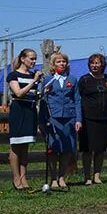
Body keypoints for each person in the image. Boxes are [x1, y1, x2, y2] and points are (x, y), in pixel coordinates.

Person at [39, 52, 82, 190]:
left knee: (67, 148)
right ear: (53, 64)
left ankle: (62, 176)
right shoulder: (48, 80)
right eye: (58, 62)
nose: (61, 64)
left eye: (64, 61)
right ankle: (53, 178)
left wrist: (78, 119)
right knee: (53, 149)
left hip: (69, 118)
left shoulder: (73, 80)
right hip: (53, 119)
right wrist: (42, 121)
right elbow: (42, 101)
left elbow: (77, 101)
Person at [6, 48, 44, 191]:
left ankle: (24, 177)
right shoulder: (13, 75)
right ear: (23, 59)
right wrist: (33, 81)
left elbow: (32, 94)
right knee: (16, 146)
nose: (34, 62)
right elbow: (19, 93)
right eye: (31, 59)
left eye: (35, 59)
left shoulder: (33, 75)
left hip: (30, 111)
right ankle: (16, 178)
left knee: (25, 146)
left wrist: (42, 92)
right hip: (19, 112)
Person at [78, 53, 107, 185]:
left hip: (104, 118)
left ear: (102, 65)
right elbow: (79, 98)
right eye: (92, 63)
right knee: (87, 149)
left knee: (100, 149)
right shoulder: (84, 80)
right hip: (87, 118)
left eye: (97, 63)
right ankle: (87, 176)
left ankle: (97, 175)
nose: (94, 65)